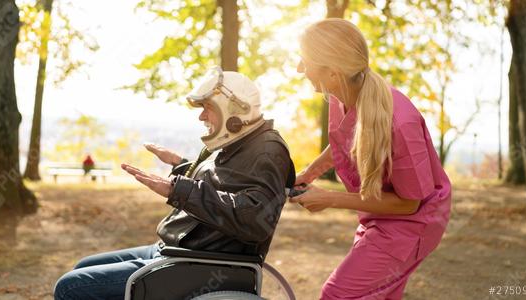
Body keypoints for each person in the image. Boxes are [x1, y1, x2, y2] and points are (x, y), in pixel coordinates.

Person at [53, 67, 294, 300]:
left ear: (233, 109)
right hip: (180, 249)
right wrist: (180, 165)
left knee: (71, 287)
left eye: (207, 108)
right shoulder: (240, 142)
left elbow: (255, 218)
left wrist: (177, 189)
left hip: (200, 262)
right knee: (83, 266)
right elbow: (221, 184)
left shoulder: (266, 151)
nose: (201, 116)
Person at [289, 19, 451, 299]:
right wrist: (308, 173)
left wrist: (329, 199)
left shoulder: (399, 122)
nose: (299, 69)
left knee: (337, 295)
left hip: (413, 223)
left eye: (305, 61)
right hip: (378, 215)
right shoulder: (340, 97)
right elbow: (343, 141)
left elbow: (409, 203)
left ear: (332, 73)